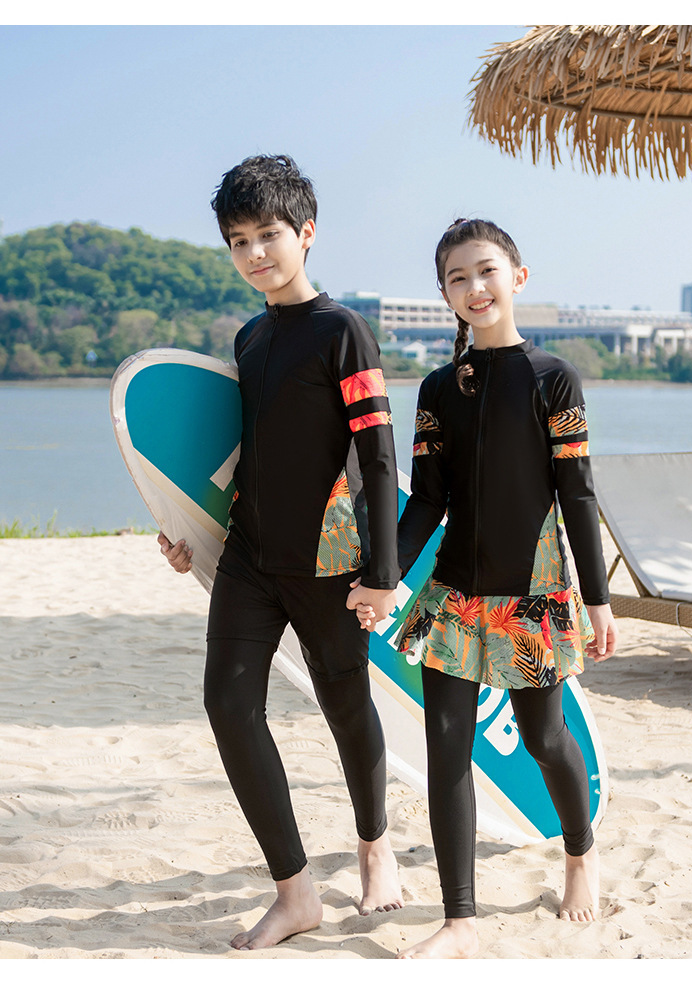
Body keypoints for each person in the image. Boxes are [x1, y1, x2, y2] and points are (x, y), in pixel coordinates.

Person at [355, 218, 617, 959]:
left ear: (517, 277)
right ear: (444, 294)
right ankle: (460, 921)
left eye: (486, 270)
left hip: (532, 598)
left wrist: (596, 600)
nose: (474, 287)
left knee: (543, 738)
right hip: (454, 597)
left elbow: (577, 494)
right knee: (446, 750)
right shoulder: (440, 389)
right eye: (457, 278)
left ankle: (580, 854)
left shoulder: (553, 378)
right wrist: (383, 579)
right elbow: (426, 500)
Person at [159, 154, 403, 950]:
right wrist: (189, 533)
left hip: (328, 562)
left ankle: (374, 846)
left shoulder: (343, 331)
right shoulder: (250, 337)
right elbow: (236, 456)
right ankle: (295, 892)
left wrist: (383, 575)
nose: (255, 253)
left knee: (345, 706)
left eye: (268, 234)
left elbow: (377, 458)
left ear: (306, 233)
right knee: (229, 707)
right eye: (238, 240)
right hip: (250, 558)